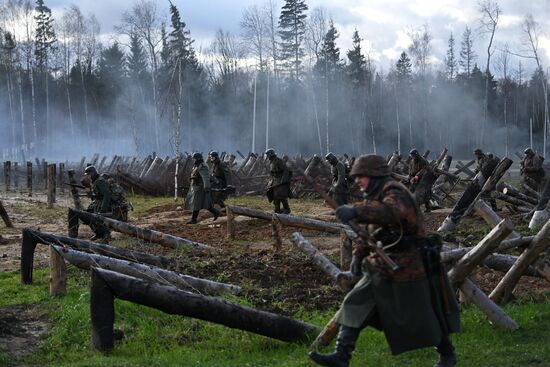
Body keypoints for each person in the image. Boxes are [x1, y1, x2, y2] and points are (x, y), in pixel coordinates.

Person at [309, 154, 460, 367]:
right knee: (354, 304)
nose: (358, 181)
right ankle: (342, 357)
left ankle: (447, 355)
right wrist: (357, 258)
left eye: (361, 176)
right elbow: (370, 235)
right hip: (379, 267)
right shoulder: (373, 196)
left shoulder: (395, 191)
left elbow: (391, 213)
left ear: (374, 175)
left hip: (408, 266)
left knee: (421, 315)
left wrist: (355, 210)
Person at [185, 152, 220, 224]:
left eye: (194, 159)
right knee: (204, 203)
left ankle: (193, 219)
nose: (193, 160)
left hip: (200, 188)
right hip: (196, 187)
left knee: (196, 204)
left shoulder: (202, 166)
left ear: (198, 159)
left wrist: (206, 187)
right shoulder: (197, 166)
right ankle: (216, 212)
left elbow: (206, 177)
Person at [84, 165, 113, 241]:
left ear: (93, 174)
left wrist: (103, 209)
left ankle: (106, 235)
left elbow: (107, 195)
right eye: (87, 175)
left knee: (99, 218)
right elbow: (95, 196)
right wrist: (89, 193)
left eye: (88, 175)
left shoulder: (100, 181)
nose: (88, 177)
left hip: (103, 203)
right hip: (98, 202)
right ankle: (98, 234)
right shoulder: (95, 181)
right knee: (88, 214)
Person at [265, 148, 292, 214]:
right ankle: (277, 210)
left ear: (271, 154)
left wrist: (283, 181)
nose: (267, 156)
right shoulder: (271, 162)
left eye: (268, 155)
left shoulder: (279, 161)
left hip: (281, 181)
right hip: (275, 181)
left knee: (282, 196)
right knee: (275, 196)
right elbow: (272, 172)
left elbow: (285, 170)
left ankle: (287, 209)